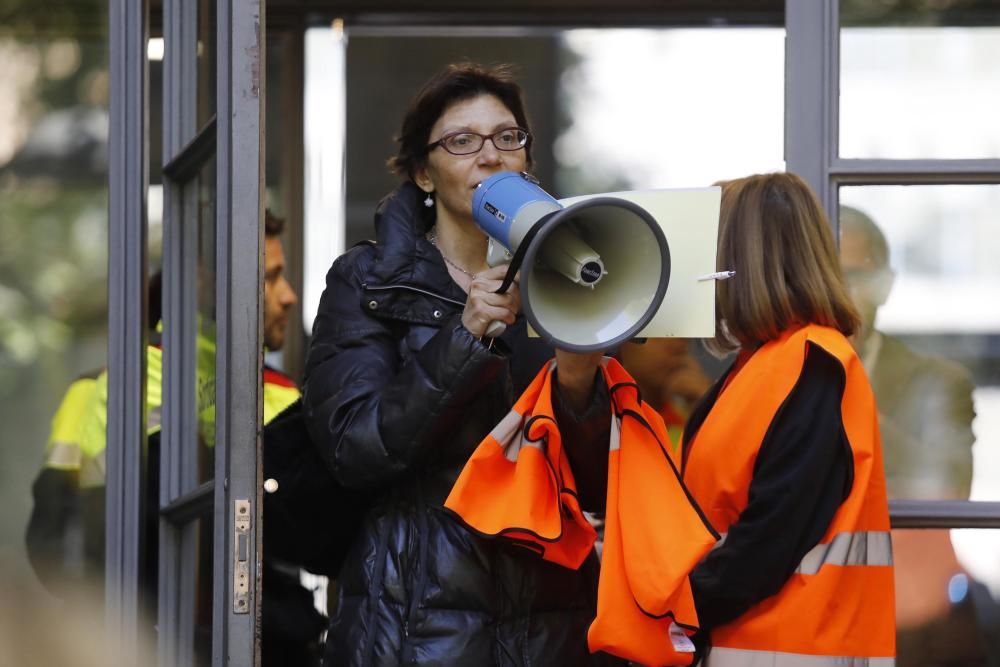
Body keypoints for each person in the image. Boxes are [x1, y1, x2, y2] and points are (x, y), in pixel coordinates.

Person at [302, 63, 622, 666]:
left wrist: (580, 381)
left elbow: (597, 485)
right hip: (415, 619)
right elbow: (356, 448)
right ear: (424, 172)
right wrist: (466, 334)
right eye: (461, 141)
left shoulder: (568, 276)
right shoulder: (368, 283)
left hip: (549, 625)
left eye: (508, 138)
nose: (490, 156)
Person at [680, 172, 895, 665]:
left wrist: (669, 602)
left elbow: (770, 536)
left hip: (790, 647)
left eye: (710, 250)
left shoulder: (813, 365)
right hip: (765, 644)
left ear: (741, 262)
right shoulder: (768, 365)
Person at [840, 206, 990, 666]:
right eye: (822, 275)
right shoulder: (769, 373)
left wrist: (857, 415)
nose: (836, 293)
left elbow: (951, 487)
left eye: (852, 275)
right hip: (809, 622)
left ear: (886, 284)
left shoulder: (940, 380)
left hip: (912, 621)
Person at [617, 338, 712, 448]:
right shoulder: (601, 427)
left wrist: (710, 412)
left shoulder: (692, 417)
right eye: (659, 332)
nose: (678, 345)